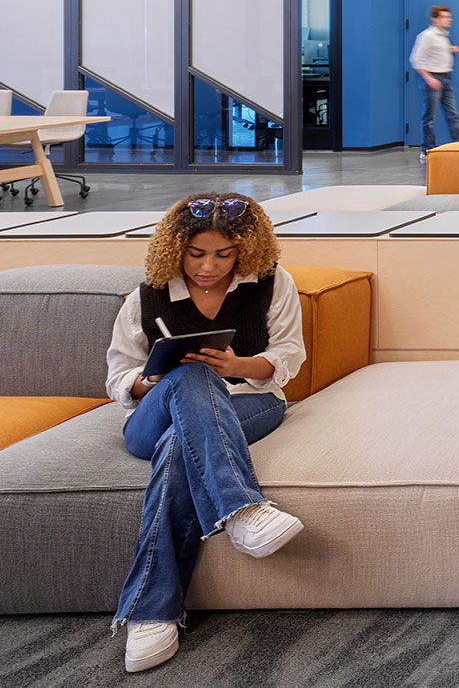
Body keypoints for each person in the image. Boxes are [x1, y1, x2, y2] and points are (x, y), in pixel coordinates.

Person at [104, 194, 307, 673]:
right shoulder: (147, 294)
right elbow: (117, 377)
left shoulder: (273, 285)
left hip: (249, 403)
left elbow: (289, 358)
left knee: (182, 441)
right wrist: (152, 381)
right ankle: (239, 507)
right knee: (190, 376)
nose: (208, 266)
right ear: (176, 248)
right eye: (196, 254)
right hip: (151, 417)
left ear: (245, 250)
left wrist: (237, 365)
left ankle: (150, 613)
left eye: (223, 255)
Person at [411, 5, 459, 162]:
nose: (449, 19)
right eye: (445, 17)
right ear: (435, 19)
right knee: (430, 117)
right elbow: (416, 60)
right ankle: (427, 150)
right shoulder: (426, 36)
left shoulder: (444, 36)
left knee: (453, 115)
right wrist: (429, 78)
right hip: (432, 79)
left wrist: (450, 49)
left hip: (446, 78)